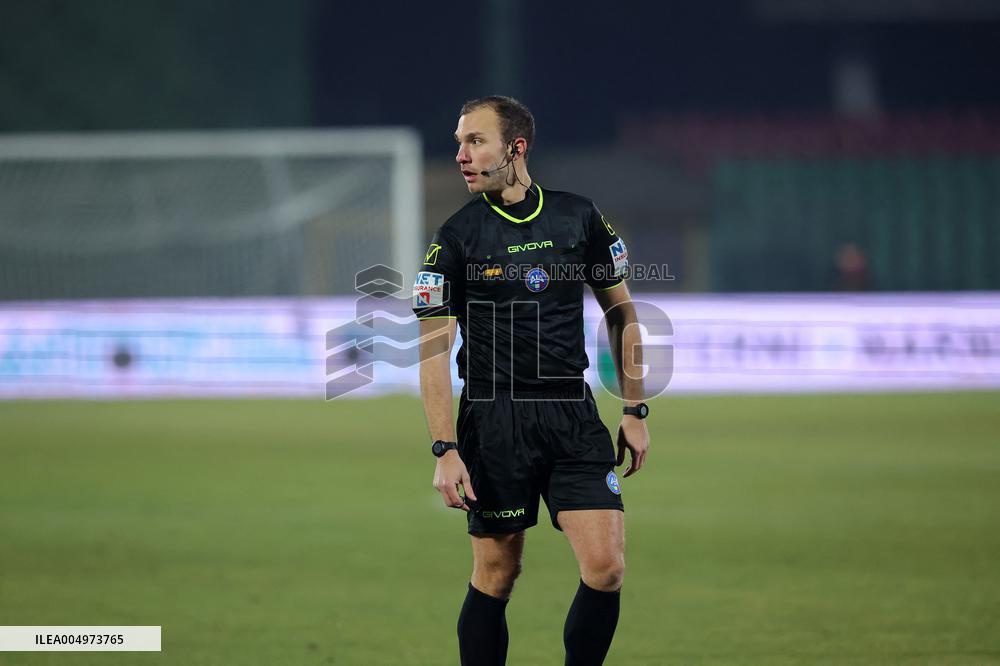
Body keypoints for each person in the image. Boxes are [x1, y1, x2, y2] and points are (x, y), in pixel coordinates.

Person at [413, 95, 650, 666]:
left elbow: (622, 314)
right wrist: (445, 449)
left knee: (607, 567)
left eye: (475, 141)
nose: (461, 155)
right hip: (494, 419)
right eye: (458, 143)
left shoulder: (579, 217)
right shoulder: (456, 237)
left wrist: (635, 409)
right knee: (497, 574)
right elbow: (432, 351)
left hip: (571, 412)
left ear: (515, 148)